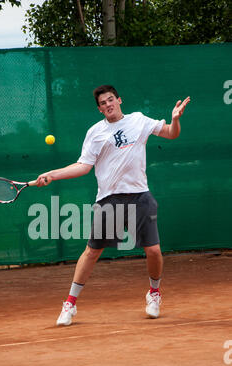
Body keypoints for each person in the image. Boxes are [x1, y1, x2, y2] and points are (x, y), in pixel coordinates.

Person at [36, 85, 190, 326]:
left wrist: (175, 119)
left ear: (119, 100)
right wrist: (53, 174)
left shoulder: (139, 120)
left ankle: (154, 294)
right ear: (99, 109)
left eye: (111, 100)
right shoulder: (95, 132)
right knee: (92, 252)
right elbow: (83, 166)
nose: (108, 104)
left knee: (153, 251)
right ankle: (70, 304)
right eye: (103, 103)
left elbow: (171, 133)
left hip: (140, 196)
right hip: (109, 200)